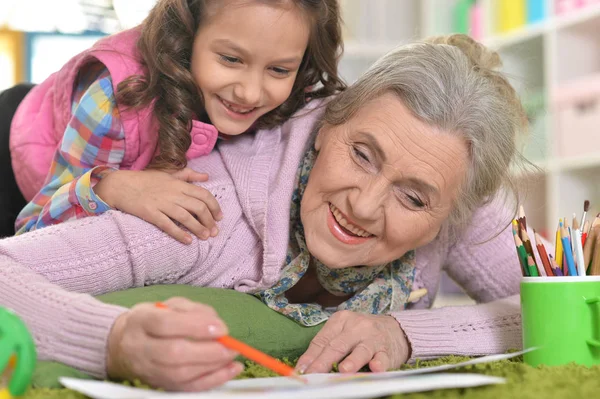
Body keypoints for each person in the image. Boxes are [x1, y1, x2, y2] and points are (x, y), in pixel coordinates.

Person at [0, 34, 534, 391]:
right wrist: (111, 341)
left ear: (450, 213)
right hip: (30, 140)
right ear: (328, 125)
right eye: (362, 155)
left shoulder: (451, 180)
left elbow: (560, 301)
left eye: (413, 198)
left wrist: (406, 334)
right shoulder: (210, 213)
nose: (365, 206)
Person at [1, 0, 344, 241]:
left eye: (279, 69)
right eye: (230, 59)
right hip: (18, 149)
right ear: (185, 38)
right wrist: (114, 187)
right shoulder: (116, 97)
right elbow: (31, 229)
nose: (251, 93)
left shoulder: (294, 96)